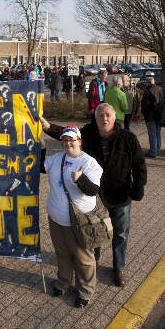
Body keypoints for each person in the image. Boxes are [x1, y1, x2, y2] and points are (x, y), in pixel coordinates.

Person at [41, 103, 147, 287]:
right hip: (95, 196)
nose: (104, 119)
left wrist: (138, 188)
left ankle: (118, 268)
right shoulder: (88, 134)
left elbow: (139, 166)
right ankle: (93, 263)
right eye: (100, 116)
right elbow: (69, 136)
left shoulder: (128, 138)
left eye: (108, 115)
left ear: (114, 118)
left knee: (120, 233)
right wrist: (49, 128)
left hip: (120, 196)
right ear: (95, 118)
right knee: (92, 231)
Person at [40, 126, 103, 308]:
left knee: (83, 258)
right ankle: (63, 283)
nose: (68, 143)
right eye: (65, 140)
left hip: (79, 221)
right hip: (56, 219)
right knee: (62, 254)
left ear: (79, 141)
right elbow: (39, 167)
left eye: (72, 140)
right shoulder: (57, 158)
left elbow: (93, 190)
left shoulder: (90, 163)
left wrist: (80, 179)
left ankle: (85, 290)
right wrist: (41, 147)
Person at [140, 73, 165, 158]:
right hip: (159, 114)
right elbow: (164, 101)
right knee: (157, 133)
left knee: (152, 134)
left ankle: (153, 152)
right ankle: (157, 150)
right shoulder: (160, 89)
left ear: (147, 83)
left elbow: (145, 105)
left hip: (150, 116)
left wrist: (144, 113)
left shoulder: (148, 91)